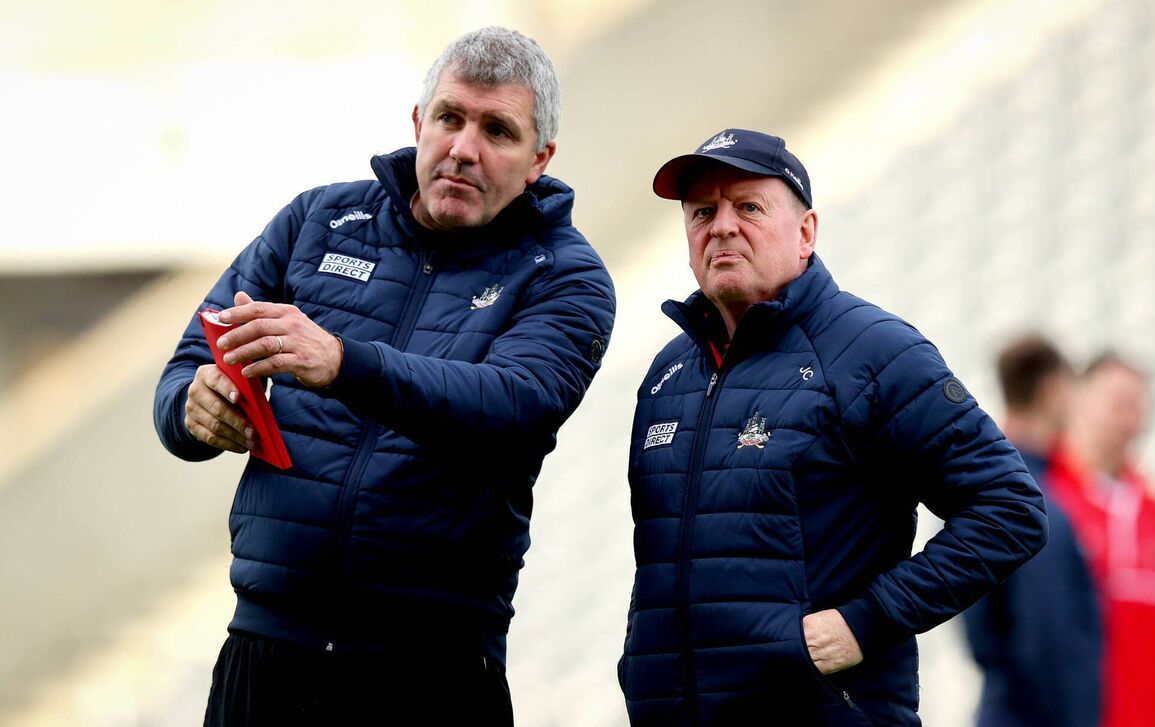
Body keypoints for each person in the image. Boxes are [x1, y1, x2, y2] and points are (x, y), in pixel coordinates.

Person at [153, 27, 616, 726]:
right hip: (267, 650)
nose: (464, 148)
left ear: (539, 161)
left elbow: (511, 404)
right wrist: (192, 408)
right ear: (417, 121)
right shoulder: (317, 220)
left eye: (498, 130)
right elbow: (190, 361)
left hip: (432, 670)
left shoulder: (568, 278)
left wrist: (343, 362)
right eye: (450, 118)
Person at [617, 129, 1047, 726]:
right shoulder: (670, 372)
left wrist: (867, 620)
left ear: (807, 231)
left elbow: (1010, 506)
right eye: (702, 212)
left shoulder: (872, 352)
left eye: (748, 207)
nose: (720, 226)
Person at [1048, 353, 1155, 727]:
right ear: (1078, 401)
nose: (1129, 419)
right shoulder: (1045, 504)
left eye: (1137, 406)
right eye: (1118, 403)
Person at [963, 335, 1102, 727]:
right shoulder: (1033, 502)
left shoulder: (978, 486)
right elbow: (1050, 641)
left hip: (1001, 705)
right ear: (1052, 390)